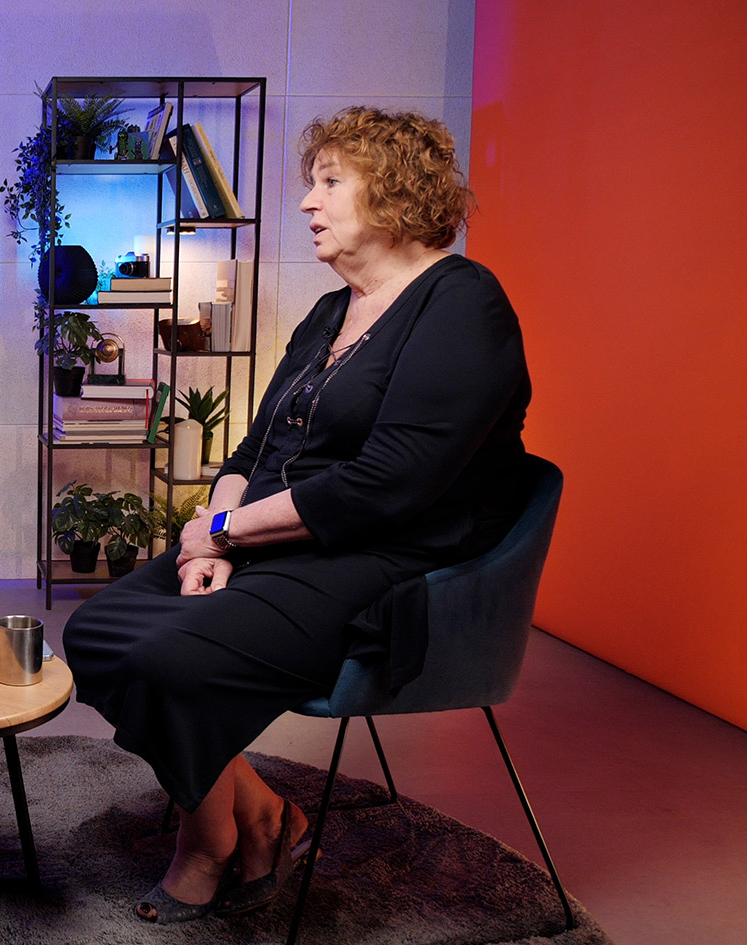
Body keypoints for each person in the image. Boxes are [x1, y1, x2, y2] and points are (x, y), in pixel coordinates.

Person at [63, 107, 531, 924]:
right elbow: (252, 450)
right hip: (273, 539)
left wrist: (222, 532)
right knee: (97, 632)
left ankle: (205, 842)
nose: (309, 202)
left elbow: (385, 486)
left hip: (381, 559)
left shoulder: (463, 303)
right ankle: (266, 813)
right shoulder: (329, 313)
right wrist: (210, 543)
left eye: (330, 182)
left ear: (395, 191)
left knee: (172, 660)